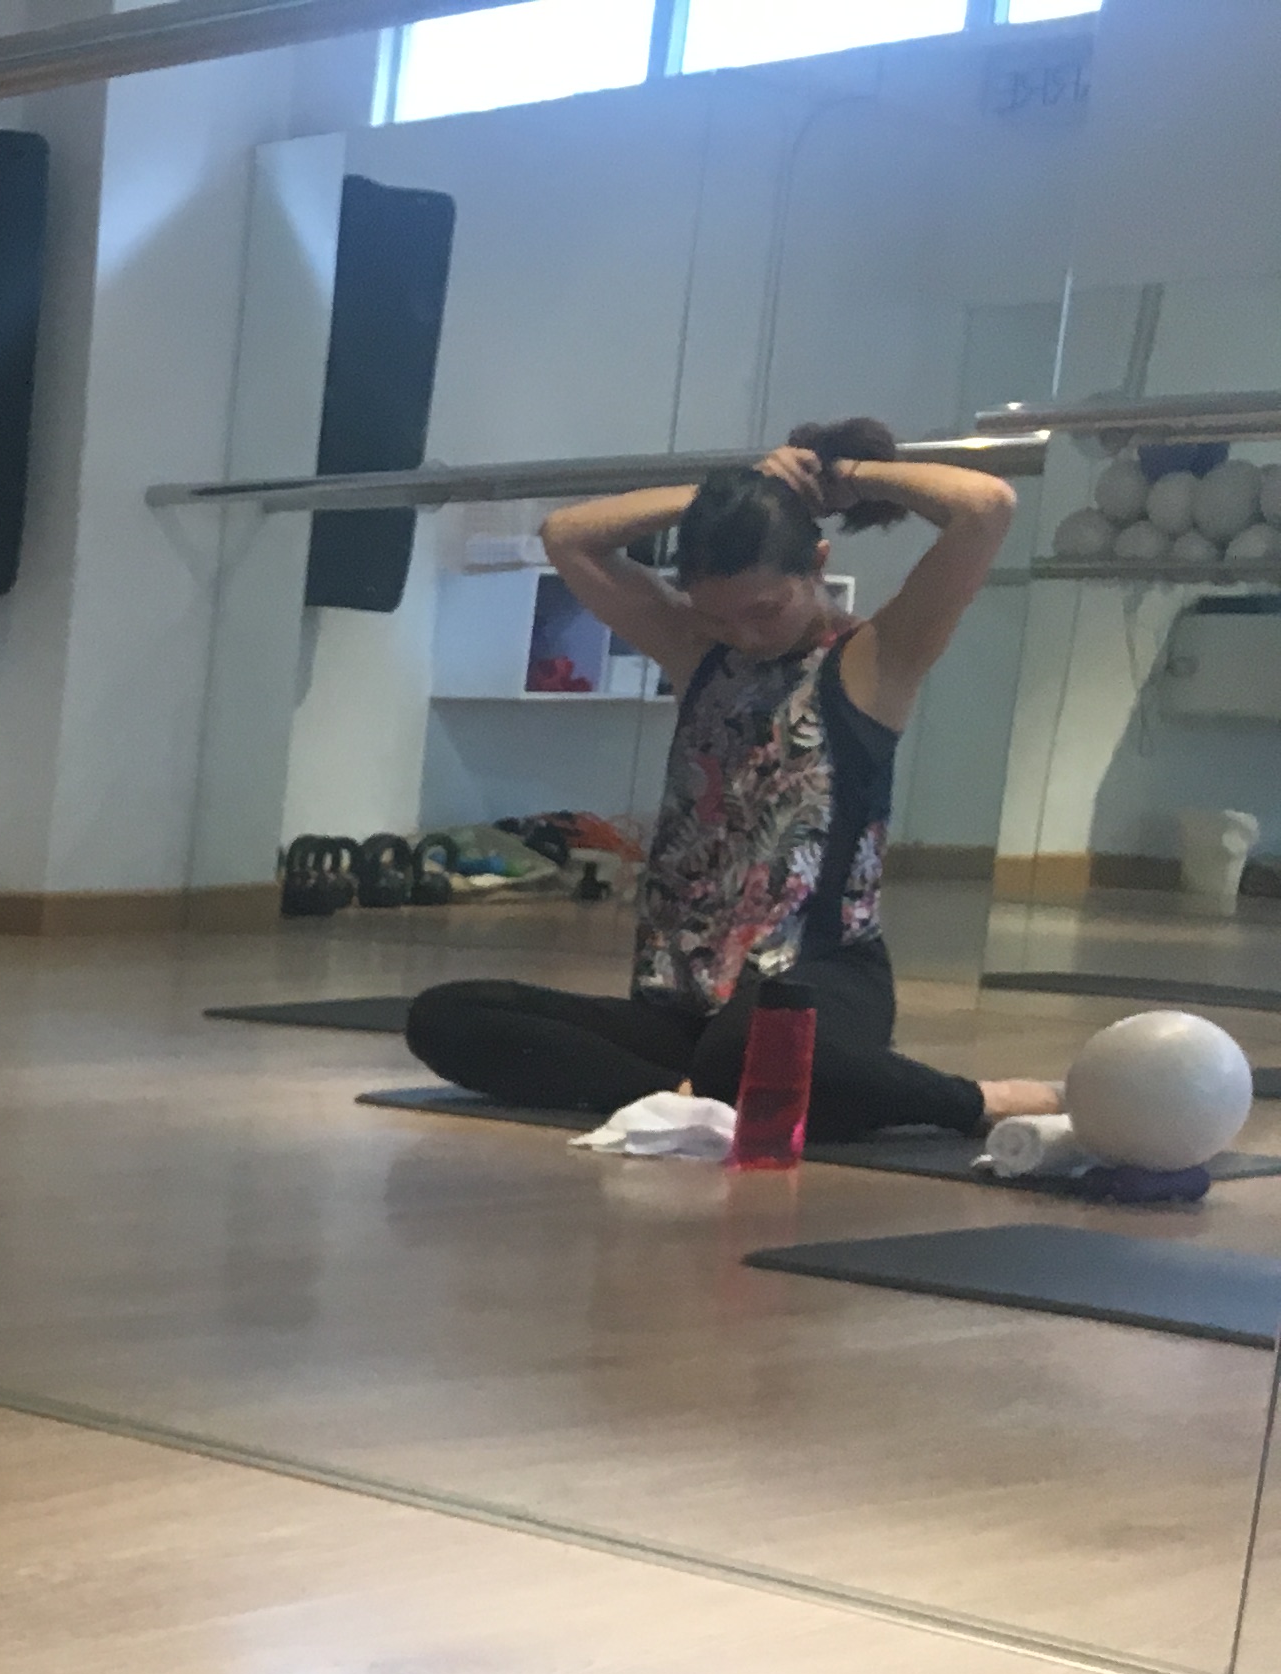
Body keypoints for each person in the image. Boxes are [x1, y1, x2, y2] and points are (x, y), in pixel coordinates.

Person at [405, 419, 1061, 1139]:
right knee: (447, 1017)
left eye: (764, 610)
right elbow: (569, 534)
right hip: (682, 1003)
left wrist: (845, 477)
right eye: (718, 616)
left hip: (820, 981)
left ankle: (974, 1100)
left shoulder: (875, 660)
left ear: (816, 562)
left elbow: (986, 507)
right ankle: (692, 1094)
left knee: (747, 1050)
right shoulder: (697, 653)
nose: (746, 635)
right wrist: (733, 490)